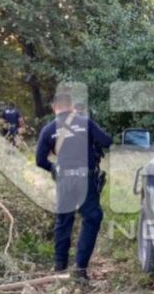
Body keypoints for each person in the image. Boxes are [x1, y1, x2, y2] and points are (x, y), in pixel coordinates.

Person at [36, 93, 112, 281]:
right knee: (92, 217)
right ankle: (80, 267)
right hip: (85, 178)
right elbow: (107, 141)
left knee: (63, 220)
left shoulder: (48, 129)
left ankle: (60, 265)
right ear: (71, 106)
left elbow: (40, 160)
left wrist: (54, 168)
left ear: (54, 108)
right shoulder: (85, 122)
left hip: (64, 179)